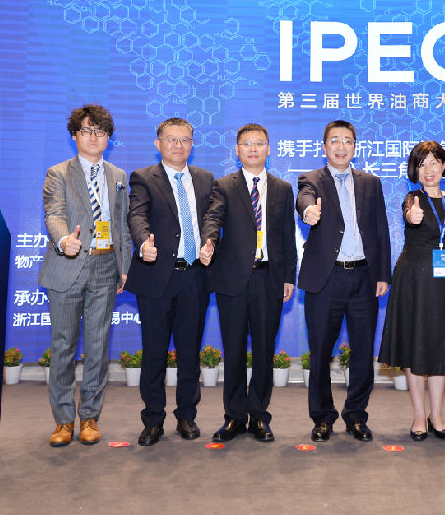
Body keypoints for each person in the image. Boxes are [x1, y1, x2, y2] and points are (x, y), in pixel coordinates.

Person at [38, 104, 132, 447]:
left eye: (101, 131)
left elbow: (121, 224)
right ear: (74, 135)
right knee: (63, 345)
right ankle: (63, 420)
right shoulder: (58, 173)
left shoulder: (118, 176)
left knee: (97, 346)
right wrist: (64, 239)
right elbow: (54, 213)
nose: (94, 137)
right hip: (68, 264)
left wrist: (125, 266)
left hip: (105, 267)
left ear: (109, 137)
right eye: (87, 130)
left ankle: (90, 416)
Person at [198, 123, 297, 443]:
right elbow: (213, 218)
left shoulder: (282, 188)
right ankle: (234, 416)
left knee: (265, 351)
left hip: (269, 278)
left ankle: (259, 416)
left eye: (259, 143)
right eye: (247, 144)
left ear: (268, 149)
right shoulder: (224, 185)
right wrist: (209, 241)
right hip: (233, 280)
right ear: (237, 150)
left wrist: (289, 277)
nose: (253, 149)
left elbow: (287, 236)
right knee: (235, 350)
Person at [296, 120, 391, 443]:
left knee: (363, 352)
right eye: (334, 140)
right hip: (327, 279)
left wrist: (383, 274)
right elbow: (304, 199)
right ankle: (323, 417)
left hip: (364, 277)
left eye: (347, 140)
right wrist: (308, 212)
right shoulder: (311, 179)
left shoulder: (370, 182)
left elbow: (381, 229)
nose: (341, 146)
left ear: (354, 147)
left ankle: (356, 416)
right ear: (324, 147)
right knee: (321, 352)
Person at [126, 118, 214, 446]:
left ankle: (187, 415)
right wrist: (142, 244)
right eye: (171, 139)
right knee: (154, 351)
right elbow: (137, 214)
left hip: (195, 276)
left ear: (192, 144)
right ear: (158, 143)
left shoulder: (206, 179)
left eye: (185, 140)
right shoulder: (143, 177)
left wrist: (211, 242)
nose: (178, 145)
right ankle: (152, 420)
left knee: (190, 351)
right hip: (156, 277)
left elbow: (212, 220)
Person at [379, 141, 445, 441]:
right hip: (415, 282)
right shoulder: (412, 198)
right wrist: (412, 217)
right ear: (415, 170)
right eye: (421, 164)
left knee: (440, 348)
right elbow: (410, 216)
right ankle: (419, 416)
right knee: (416, 347)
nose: (428, 169)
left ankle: (438, 416)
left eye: (433, 162)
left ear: (444, 165)